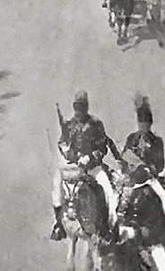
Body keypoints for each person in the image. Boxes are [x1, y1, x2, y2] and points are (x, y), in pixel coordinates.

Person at [51, 91, 121, 235]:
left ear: (86, 108)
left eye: (81, 108)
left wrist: (90, 157)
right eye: (76, 107)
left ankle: (108, 227)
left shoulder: (96, 125)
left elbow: (102, 147)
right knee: (57, 185)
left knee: (109, 191)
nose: (78, 111)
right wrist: (68, 151)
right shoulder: (69, 126)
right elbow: (62, 143)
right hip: (75, 168)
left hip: (93, 168)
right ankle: (58, 224)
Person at [121, 96, 165, 178]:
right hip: (133, 178)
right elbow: (124, 159)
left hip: (149, 178)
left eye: (146, 121)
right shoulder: (131, 138)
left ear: (150, 123)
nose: (143, 124)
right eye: (141, 121)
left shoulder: (157, 141)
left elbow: (160, 166)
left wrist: (145, 164)